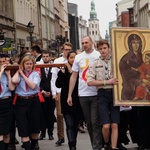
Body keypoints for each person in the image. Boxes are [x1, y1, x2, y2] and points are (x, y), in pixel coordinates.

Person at [67, 36, 102, 150]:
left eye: (86, 42)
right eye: (82, 43)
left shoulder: (98, 55)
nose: (84, 44)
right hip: (83, 94)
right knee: (89, 123)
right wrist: (69, 94)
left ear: (92, 42)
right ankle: (95, 144)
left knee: (95, 122)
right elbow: (74, 76)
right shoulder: (78, 57)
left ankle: (97, 147)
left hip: (96, 93)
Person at [87, 39, 120, 150]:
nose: (103, 50)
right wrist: (106, 82)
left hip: (115, 93)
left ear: (109, 48)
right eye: (100, 49)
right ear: (98, 50)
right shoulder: (95, 63)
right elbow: (90, 81)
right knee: (106, 125)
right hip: (102, 94)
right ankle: (106, 143)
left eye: (105, 48)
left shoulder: (116, 61)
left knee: (115, 124)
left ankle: (114, 147)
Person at [11, 54, 42, 150]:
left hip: (33, 100)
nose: (29, 66)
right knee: (23, 127)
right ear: (23, 65)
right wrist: (18, 71)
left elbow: (33, 86)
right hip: (21, 101)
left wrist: (23, 75)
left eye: (30, 64)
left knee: (35, 128)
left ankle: (33, 145)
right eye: (26, 64)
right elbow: (14, 80)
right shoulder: (19, 73)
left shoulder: (35, 74)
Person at [56, 51, 81, 150]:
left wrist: (71, 70)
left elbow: (78, 81)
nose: (73, 60)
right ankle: (72, 146)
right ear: (68, 59)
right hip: (66, 99)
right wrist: (62, 73)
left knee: (75, 124)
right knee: (69, 124)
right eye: (71, 58)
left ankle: (73, 142)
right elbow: (58, 84)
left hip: (78, 99)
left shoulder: (80, 70)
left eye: (75, 58)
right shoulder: (63, 70)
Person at [51, 42, 72, 146]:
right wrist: (54, 92)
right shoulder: (57, 61)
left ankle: (72, 137)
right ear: (62, 50)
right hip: (60, 91)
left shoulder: (74, 59)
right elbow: (53, 78)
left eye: (69, 49)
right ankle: (61, 136)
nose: (67, 51)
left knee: (72, 115)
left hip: (72, 91)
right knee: (59, 115)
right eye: (66, 49)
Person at [38, 50, 56, 140]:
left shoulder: (53, 67)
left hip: (51, 94)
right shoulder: (39, 67)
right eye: (44, 56)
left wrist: (52, 92)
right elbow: (38, 81)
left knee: (50, 114)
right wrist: (42, 91)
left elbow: (54, 81)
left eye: (47, 56)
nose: (45, 58)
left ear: (50, 57)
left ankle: (50, 133)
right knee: (42, 115)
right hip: (42, 94)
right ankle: (42, 133)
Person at [0, 58, 15, 150]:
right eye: (0, 62)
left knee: (7, 132)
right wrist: (1, 71)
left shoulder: (6, 74)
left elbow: (11, 88)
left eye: (3, 62)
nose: (2, 64)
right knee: (0, 132)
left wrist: (9, 75)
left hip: (7, 102)